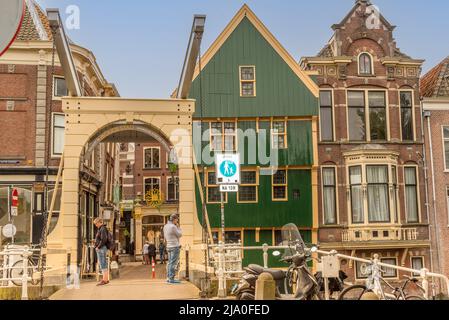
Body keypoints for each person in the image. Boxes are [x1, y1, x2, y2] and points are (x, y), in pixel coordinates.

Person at [163, 213, 182, 284]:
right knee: (173, 263)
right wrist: (178, 227)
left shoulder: (165, 226)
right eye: (177, 220)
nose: (177, 221)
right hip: (174, 246)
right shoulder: (173, 227)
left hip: (168, 246)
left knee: (169, 262)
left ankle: (168, 277)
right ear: (174, 219)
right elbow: (180, 234)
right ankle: (171, 279)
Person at [93, 217, 110, 286]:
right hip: (102, 248)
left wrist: (98, 247)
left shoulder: (102, 229)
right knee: (103, 263)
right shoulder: (102, 229)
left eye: (96, 223)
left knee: (102, 263)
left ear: (100, 222)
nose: (96, 225)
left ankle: (104, 279)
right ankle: (105, 279)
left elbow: (103, 239)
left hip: (101, 248)